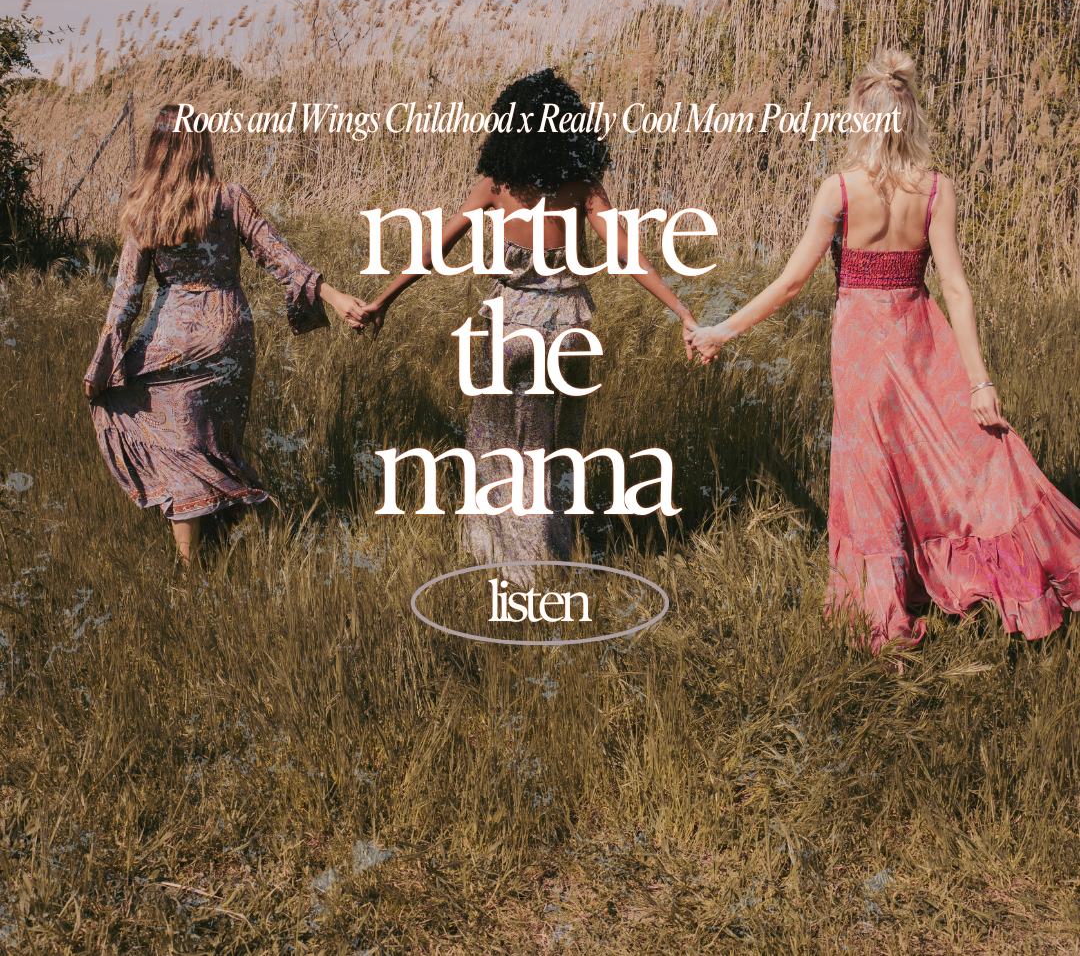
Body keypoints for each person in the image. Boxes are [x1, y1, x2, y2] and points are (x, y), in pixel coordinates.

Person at [691, 49, 1080, 653]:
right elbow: (956, 288)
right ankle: (977, 577)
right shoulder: (936, 190)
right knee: (958, 459)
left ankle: (885, 609)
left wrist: (720, 331)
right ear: (909, 118)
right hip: (925, 340)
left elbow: (790, 283)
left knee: (873, 473)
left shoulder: (839, 190)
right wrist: (979, 384)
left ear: (860, 118)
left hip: (862, 352)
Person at [355, 69, 697, 577]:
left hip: (511, 327)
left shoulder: (498, 186)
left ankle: (504, 562)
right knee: (555, 447)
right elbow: (626, 254)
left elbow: (437, 247)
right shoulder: (582, 187)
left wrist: (383, 298)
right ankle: (548, 560)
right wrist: (682, 310)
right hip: (570, 331)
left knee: (498, 443)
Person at [84, 104, 366, 562]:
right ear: (201, 146)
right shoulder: (230, 198)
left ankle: (189, 565)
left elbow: (126, 298)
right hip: (229, 333)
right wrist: (334, 297)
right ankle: (270, 531)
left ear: (158, 150)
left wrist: (102, 365)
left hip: (172, 334)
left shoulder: (143, 211)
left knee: (178, 445)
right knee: (218, 444)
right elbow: (280, 257)